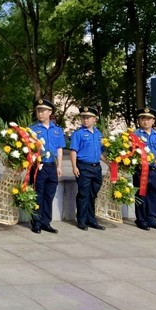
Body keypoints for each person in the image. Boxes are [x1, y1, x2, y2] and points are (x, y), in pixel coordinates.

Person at [29, 99, 65, 234]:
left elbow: (60, 148)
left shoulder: (57, 130)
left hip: (52, 166)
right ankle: (36, 222)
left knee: (49, 195)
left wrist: (59, 166)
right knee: (37, 195)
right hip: (39, 166)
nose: (40, 113)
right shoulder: (32, 129)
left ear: (50, 112)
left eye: (43, 110)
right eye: (38, 110)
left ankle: (46, 222)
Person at [69, 106, 106, 231]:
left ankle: (92, 220)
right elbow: (74, 151)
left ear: (95, 119)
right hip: (83, 167)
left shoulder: (99, 134)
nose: (85, 120)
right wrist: (74, 166)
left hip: (96, 168)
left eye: (88, 118)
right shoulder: (78, 134)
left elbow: (100, 153)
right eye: (83, 118)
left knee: (93, 194)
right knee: (83, 194)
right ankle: (82, 220)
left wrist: (109, 162)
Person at [133, 107, 156, 231]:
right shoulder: (134, 135)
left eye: (149, 119)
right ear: (139, 121)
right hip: (141, 170)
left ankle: (152, 219)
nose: (146, 121)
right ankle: (141, 220)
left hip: (155, 170)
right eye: (143, 119)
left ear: (153, 121)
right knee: (141, 195)